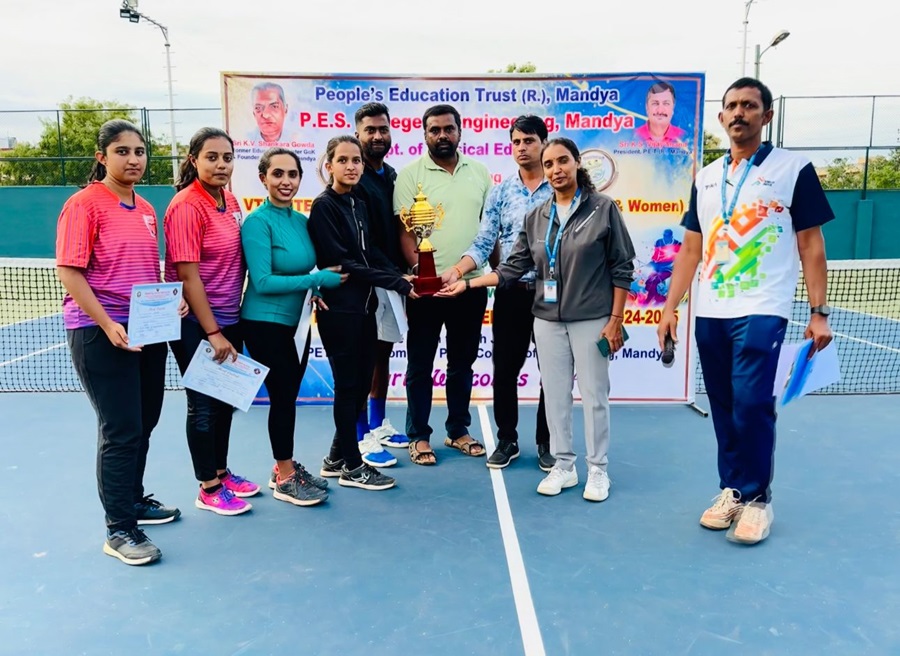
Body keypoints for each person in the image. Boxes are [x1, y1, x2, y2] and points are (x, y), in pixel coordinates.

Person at [657, 78, 834, 545]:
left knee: (754, 402)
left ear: (766, 115)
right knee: (725, 406)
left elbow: (811, 244)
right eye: (732, 106)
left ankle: (758, 500)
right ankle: (733, 489)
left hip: (764, 306)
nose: (740, 112)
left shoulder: (794, 168)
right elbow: (691, 249)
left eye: (750, 106)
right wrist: (670, 307)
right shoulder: (707, 177)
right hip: (711, 311)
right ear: (721, 118)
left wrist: (819, 312)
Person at [439, 138, 636, 501]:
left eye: (563, 161)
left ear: (578, 163)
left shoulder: (602, 208)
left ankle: (597, 470)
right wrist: (468, 284)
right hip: (546, 317)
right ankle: (563, 465)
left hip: (591, 316)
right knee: (556, 394)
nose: (556, 169)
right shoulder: (538, 215)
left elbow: (622, 267)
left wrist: (614, 318)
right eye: (549, 164)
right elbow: (514, 266)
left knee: (594, 396)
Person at [56, 119, 181, 566]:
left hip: (147, 331)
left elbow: (147, 272)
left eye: (140, 151)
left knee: (145, 420)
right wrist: (108, 324)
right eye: (123, 151)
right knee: (121, 429)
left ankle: (133, 500)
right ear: (101, 157)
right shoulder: (83, 205)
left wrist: (172, 302)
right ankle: (119, 529)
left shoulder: (146, 208)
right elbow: (70, 271)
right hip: (99, 332)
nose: (133, 159)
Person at [442, 115, 553, 471]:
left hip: (553, 293)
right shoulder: (501, 191)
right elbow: (485, 239)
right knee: (505, 368)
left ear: (544, 142)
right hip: (510, 291)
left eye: (530, 141)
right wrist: (458, 270)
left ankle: (548, 443)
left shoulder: (561, 187)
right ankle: (508, 439)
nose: (522, 148)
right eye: (516, 141)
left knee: (552, 370)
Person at [308, 135, 417, 491]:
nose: (352, 166)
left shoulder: (357, 203)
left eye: (356, 160)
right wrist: (398, 282)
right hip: (339, 310)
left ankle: (336, 457)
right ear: (330, 166)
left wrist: (406, 275)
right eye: (343, 160)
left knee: (357, 387)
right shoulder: (324, 206)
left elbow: (371, 253)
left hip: (365, 306)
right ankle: (353, 466)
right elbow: (347, 265)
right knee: (348, 387)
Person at [241, 147, 347, 507]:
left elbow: (304, 273)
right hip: (264, 324)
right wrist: (314, 279)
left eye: (292, 175)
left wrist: (314, 289)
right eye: (278, 174)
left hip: (297, 324)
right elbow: (264, 281)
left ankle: (282, 466)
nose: (286, 182)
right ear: (263, 179)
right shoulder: (257, 223)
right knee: (283, 399)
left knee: (288, 398)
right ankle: (285, 477)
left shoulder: (301, 221)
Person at [165, 127, 260, 516]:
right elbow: (188, 276)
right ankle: (207, 487)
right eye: (212, 157)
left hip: (228, 315)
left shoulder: (229, 199)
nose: (221, 165)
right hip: (197, 323)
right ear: (194, 161)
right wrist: (213, 332)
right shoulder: (187, 206)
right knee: (203, 404)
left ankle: (221, 471)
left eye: (227, 157)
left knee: (224, 401)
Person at [394, 104, 493, 466]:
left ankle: (458, 430)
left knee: (462, 364)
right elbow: (406, 233)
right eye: (434, 130)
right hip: (425, 290)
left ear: (460, 131)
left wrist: (494, 275)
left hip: (469, 287)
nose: (442, 135)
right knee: (420, 364)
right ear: (424, 135)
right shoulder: (409, 176)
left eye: (448, 129)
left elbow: (488, 232)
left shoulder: (480, 173)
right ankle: (418, 435)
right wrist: (422, 276)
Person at [352, 102, 411, 456]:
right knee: (363, 357)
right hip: (368, 282)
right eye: (370, 130)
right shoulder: (354, 179)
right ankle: (361, 435)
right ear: (357, 134)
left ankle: (378, 423)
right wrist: (392, 273)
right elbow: (364, 241)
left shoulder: (392, 176)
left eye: (383, 130)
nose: (377, 136)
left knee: (382, 354)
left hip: (392, 280)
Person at [645, 228, 682, 305]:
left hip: (669, 268)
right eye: (664, 236)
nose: (666, 238)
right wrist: (652, 262)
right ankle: (659, 298)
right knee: (648, 283)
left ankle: (648, 300)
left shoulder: (678, 244)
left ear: (671, 236)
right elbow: (655, 255)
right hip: (658, 267)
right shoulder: (659, 242)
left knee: (655, 281)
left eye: (667, 236)